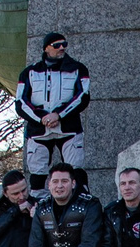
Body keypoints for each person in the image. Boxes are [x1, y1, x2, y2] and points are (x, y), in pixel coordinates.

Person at [14, 32, 89, 180]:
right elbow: (20, 102)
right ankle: (40, 203)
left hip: (69, 130)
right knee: (37, 179)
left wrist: (59, 115)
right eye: (57, 45)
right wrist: (41, 118)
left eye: (64, 44)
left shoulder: (78, 69)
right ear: (46, 48)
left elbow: (83, 97)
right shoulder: (29, 72)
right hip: (38, 131)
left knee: (76, 176)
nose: (62, 48)